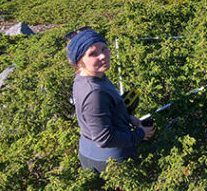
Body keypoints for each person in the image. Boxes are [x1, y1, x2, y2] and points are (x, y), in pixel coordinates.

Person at [66, 27, 155, 173]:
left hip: (93, 152)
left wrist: (129, 117)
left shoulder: (90, 77)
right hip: (108, 162)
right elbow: (104, 139)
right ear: (80, 61)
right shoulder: (93, 92)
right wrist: (140, 134)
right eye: (93, 54)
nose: (103, 56)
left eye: (104, 49)